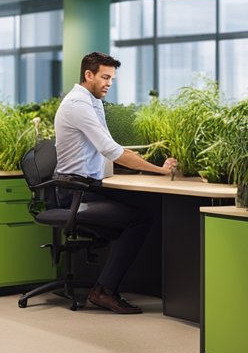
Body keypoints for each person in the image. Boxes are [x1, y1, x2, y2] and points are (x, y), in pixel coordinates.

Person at [54, 51, 177, 314]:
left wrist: (148, 165)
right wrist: (159, 170)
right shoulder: (78, 104)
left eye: (112, 78)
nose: (109, 83)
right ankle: (103, 291)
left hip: (91, 186)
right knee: (139, 219)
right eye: (105, 77)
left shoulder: (93, 100)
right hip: (74, 192)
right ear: (89, 75)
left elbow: (112, 147)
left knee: (146, 207)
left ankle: (115, 286)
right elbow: (111, 151)